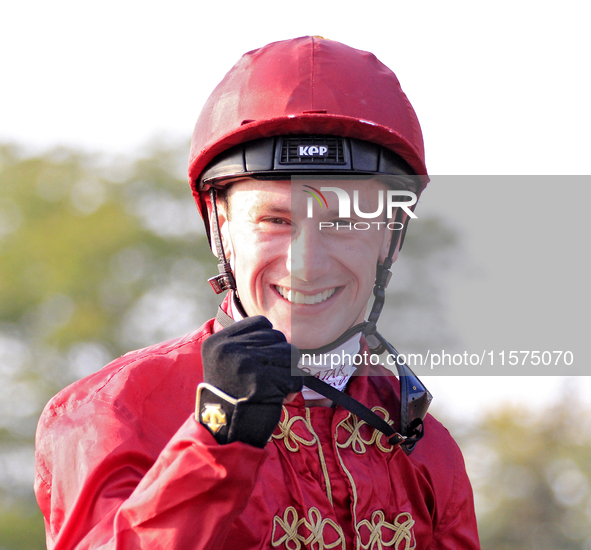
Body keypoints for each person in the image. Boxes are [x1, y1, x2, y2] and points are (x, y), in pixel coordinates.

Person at [35, 36, 480, 549]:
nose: (306, 265)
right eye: (274, 220)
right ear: (220, 227)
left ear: (392, 236)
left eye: (342, 223)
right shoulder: (112, 412)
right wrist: (218, 437)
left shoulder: (429, 449)